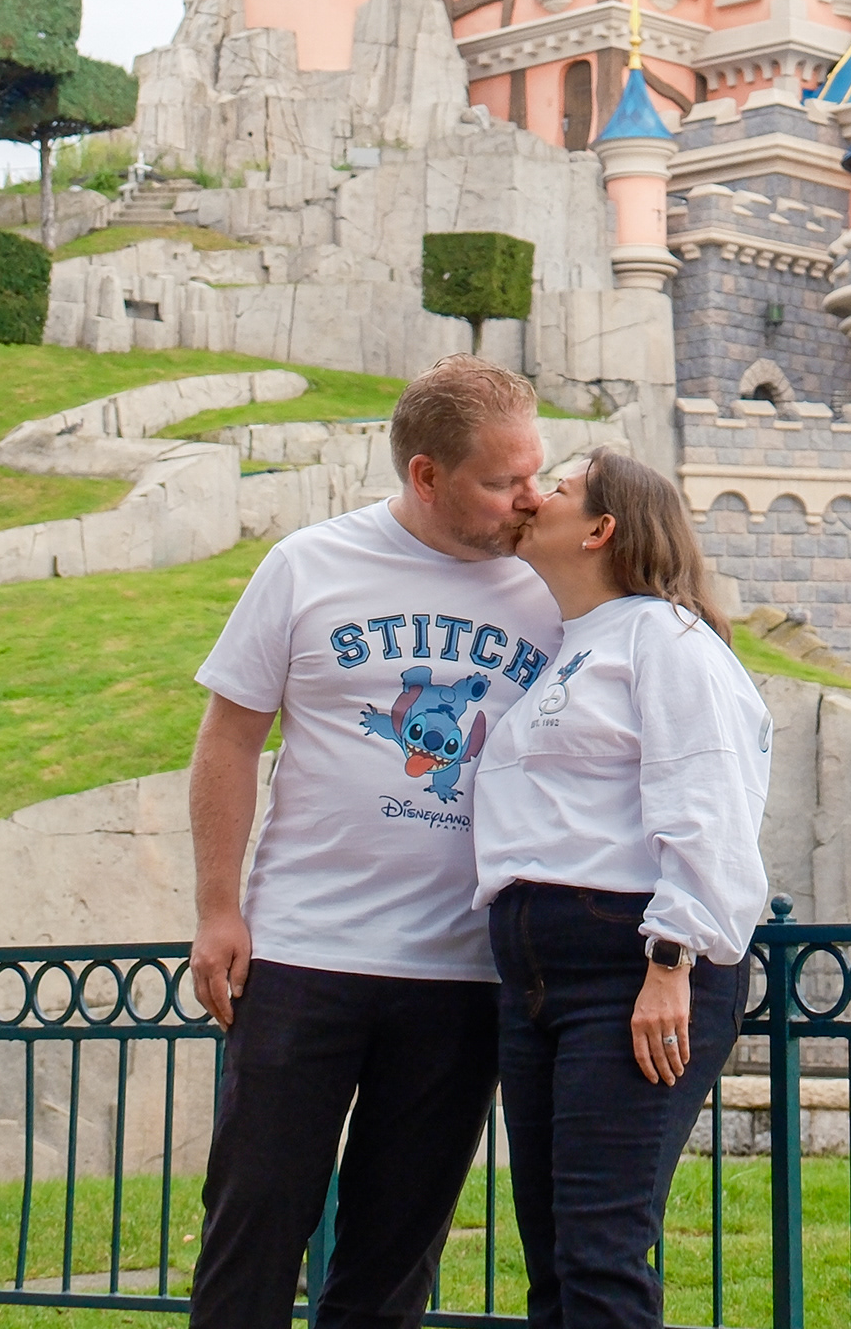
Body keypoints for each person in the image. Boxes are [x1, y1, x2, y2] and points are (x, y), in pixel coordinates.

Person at [185, 354, 560, 1329]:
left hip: (463, 972)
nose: (531, 498)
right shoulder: (307, 565)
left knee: (392, 1263)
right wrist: (218, 908)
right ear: (426, 475)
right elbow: (229, 738)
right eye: (503, 481)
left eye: (538, 471)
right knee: (253, 1231)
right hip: (303, 955)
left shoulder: (555, 587)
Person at [471, 446, 776, 1329]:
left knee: (600, 1249)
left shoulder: (667, 639)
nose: (535, 498)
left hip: (630, 966)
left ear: (601, 529)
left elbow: (708, 800)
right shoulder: (573, 647)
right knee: (554, 1256)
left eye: (558, 490)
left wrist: (672, 959)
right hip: (538, 978)